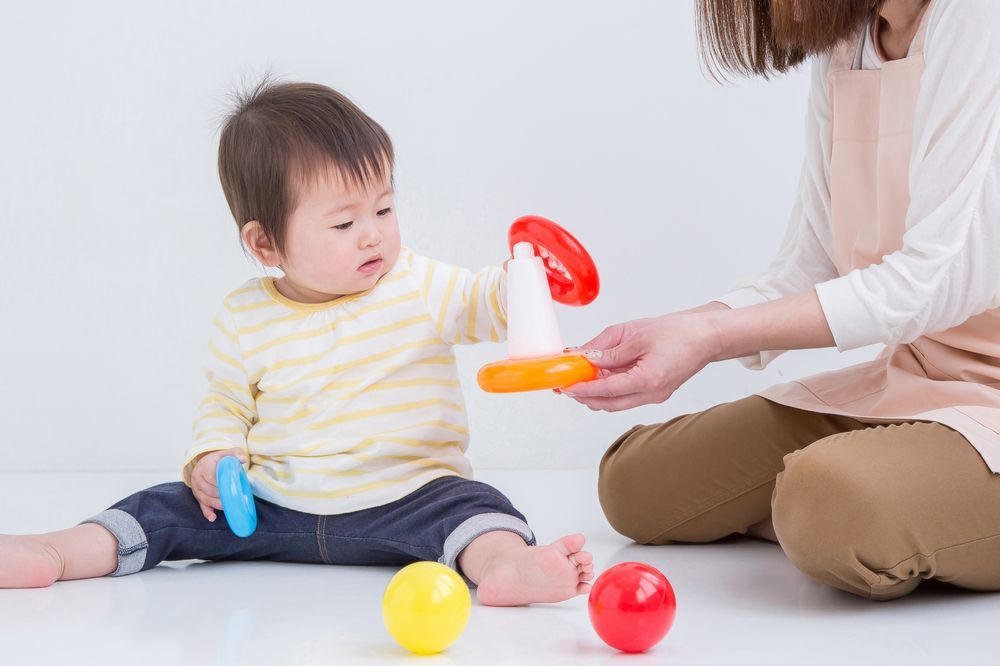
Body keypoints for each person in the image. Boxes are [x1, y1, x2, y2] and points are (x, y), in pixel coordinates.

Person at [0, 81, 594, 606]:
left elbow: (485, 301)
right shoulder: (245, 316)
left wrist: (526, 279)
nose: (374, 236)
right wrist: (213, 458)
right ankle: (56, 551)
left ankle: (506, 567)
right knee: (161, 508)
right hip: (271, 505)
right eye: (344, 223)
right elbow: (226, 405)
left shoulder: (417, 283)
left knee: (480, 510)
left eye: (384, 208)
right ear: (265, 244)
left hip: (410, 496)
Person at [565, 0, 1000, 601]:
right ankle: (881, 518)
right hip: (923, 380)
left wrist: (713, 339)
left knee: (829, 503)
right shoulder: (849, 43)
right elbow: (806, 267)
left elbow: (930, 280)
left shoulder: (980, 19)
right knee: (638, 486)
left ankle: (862, 519)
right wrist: (676, 331)